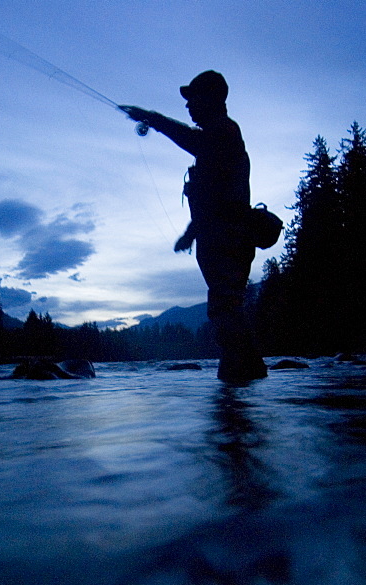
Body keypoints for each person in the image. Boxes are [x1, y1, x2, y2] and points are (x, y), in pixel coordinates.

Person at [122, 70, 267, 382]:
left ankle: (236, 391)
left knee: (225, 311)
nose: (188, 107)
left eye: (193, 99)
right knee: (228, 311)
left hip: (229, 242)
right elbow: (213, 200)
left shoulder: (225, 132)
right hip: (224, 240)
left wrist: (153, 118)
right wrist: (190, 235)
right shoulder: (219, 137)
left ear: (213, 99)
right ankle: (247, 387)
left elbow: (193, 142)